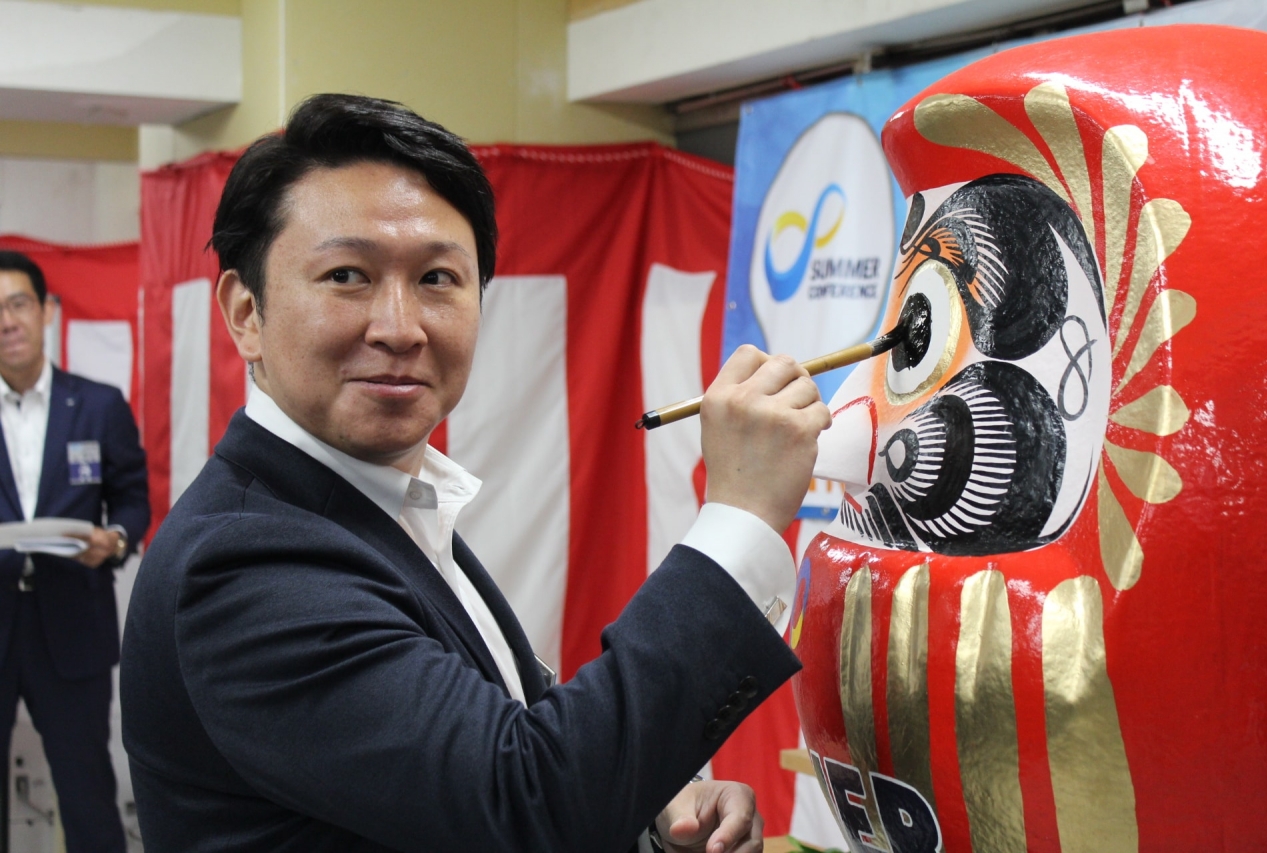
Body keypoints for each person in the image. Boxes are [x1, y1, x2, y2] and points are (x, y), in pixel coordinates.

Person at [120, 94, 830, 853]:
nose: (400, 328)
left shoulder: (381, 501)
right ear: (245, 312)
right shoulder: (243, 563)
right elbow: (525, 801)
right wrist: (741, 514)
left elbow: (493, 748)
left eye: (437, 278)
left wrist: (651, 808)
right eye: (347, 274)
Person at [0, 251, 149, 853]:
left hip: (72, 624)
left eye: (17, 304)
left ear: (46, 311)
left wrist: (116, 540)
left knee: (87, 794)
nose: (7, 321)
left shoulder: (98, 404)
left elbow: (132, 499)